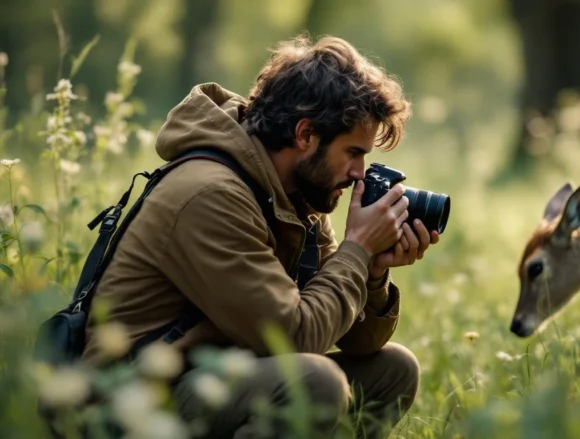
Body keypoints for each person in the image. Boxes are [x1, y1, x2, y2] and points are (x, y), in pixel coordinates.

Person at [80, 33, 440, 438]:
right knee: (315, 382)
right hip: (132, 401)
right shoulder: (211, 194)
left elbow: (355, 342)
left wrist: (372, 272)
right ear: (305, 135)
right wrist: (356, 249)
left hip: (218, 376)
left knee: (392, 371)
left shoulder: (297, 197)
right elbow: (295, 338)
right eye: (353, 152)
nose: (359, 172)